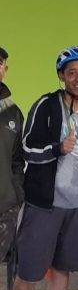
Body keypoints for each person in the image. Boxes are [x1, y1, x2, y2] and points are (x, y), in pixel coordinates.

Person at [0, 46, 78, 290]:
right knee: (29, 271)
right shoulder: (46, 104)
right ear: (61, 76)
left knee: (62, 268)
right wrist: (57, 148)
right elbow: (27, 148)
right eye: (72, 72)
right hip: (45, 203)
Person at [0, 47, 24, 266]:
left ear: (5, 69)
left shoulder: (13, 112)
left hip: (5, 207)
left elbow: (17, 160)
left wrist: (17, 195)